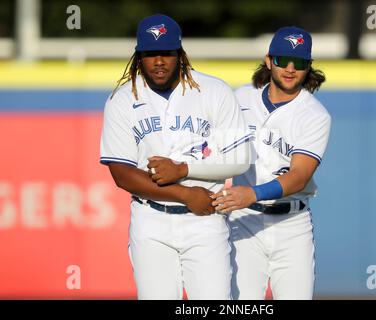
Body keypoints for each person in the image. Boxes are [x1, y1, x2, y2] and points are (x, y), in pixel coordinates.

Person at [99, 14, 251, 300]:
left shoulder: (214, 91)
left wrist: (183, 169)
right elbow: (121, 174)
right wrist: (185, 194)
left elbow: (241, 159)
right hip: (151, 220)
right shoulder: (121, 100)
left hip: (206, 220)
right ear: (138, 56)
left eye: (167, 53)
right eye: (150, 53)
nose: (159, 61)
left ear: (180, 54)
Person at [210, 26, 332, 300]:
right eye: (282, 60)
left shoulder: (315, 115)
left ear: (308, 67)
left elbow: (299, 176)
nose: (290, 68)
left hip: (292, 224)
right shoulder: (240, 98)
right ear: (269, 60)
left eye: (299, 63)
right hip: (243, 220)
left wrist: (252, 193)